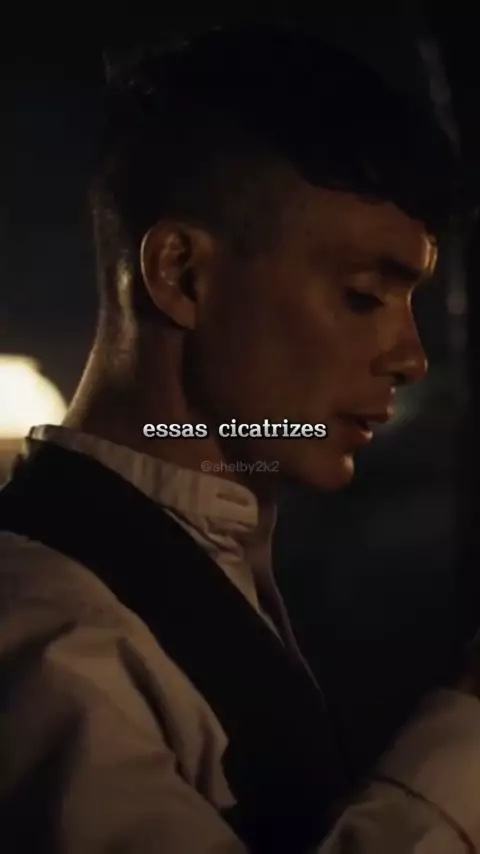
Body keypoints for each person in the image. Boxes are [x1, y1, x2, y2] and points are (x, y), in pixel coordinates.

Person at [0, 23, 478, 854]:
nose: (410, 357)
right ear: (181, 274)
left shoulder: (210, 562)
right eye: (364, 296)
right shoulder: (47, 631)